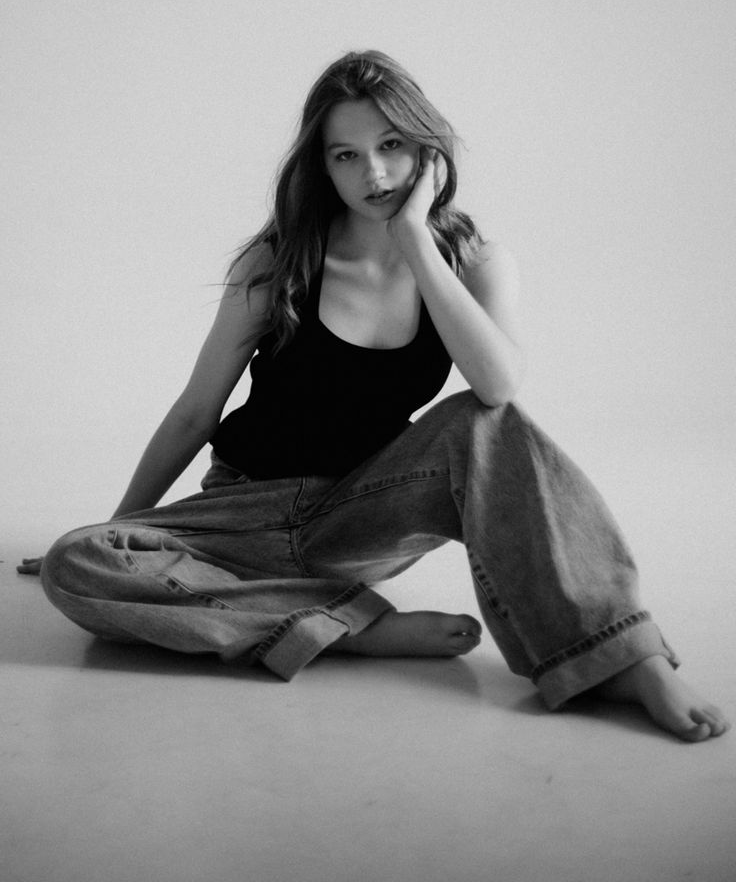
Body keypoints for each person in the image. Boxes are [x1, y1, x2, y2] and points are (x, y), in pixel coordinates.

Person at [30, 50, 728, 743]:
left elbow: (498, 385)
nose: (374, 173)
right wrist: (120, 527)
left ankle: (624, 656)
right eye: (346, 155)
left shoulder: (476, 264)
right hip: (241, 514)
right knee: (74, 562)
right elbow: (194, 412)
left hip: (363, 515)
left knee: (483, 424)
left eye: (391, 145)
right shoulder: (277, 262)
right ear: (320, 165)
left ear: (427, 149)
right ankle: (350, 629)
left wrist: (417, 242)